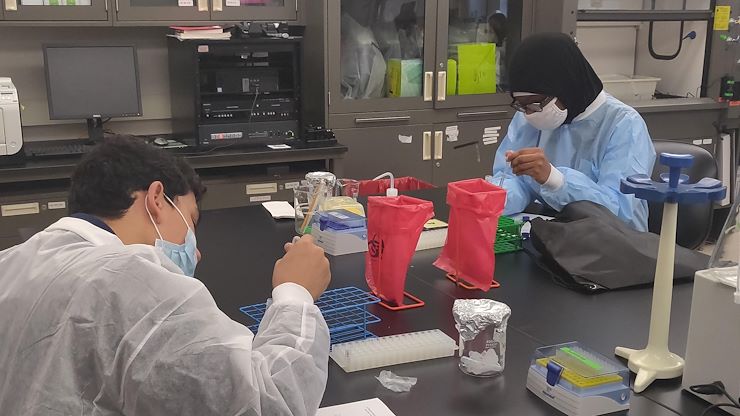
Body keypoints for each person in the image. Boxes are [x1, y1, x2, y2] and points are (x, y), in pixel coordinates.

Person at [0, 136, 331, 415]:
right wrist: (295, 292)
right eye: (190, 220)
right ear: (156, 199)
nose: (196, 252)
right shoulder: (129, 281)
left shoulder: (13, 262)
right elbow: (268, 401)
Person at [491, 32, 656, 231]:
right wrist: (492, 201)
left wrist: (555, 180)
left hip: (614, 247)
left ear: (566, 87)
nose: (528, 114)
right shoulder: (529, 116)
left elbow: (620, 210)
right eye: (521, 105)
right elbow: (514, 180)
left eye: (534, 104)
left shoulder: (623, 125)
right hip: (555, 238)